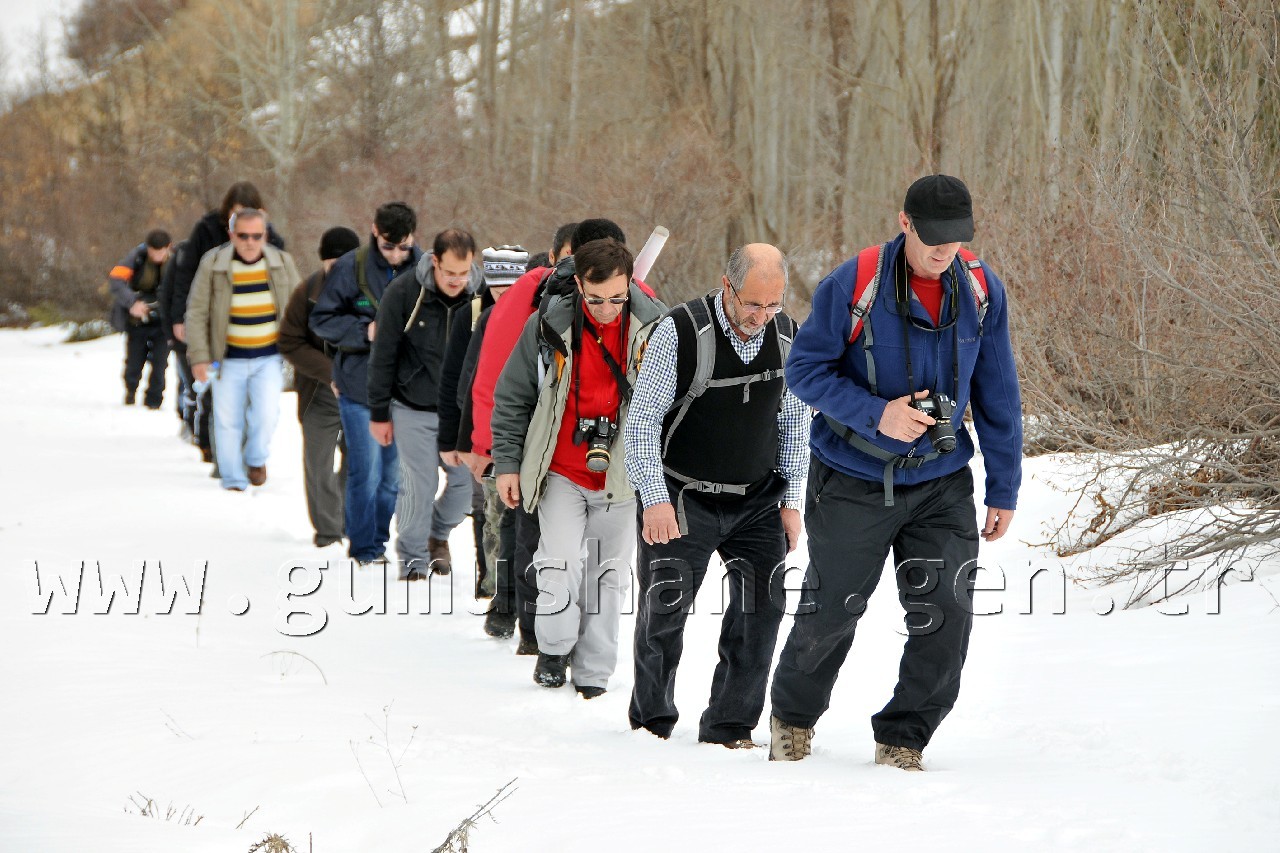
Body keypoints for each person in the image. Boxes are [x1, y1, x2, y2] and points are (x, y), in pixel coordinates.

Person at [767, 175, 1023, 770]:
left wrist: (1003, 486)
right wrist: (877, 413)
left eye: (957, 239)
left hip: (941, 481)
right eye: (933, 238)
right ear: (904, 222)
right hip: (853, 479)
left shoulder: (982, 289)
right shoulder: (855, 283)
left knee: (947, 614)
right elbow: (803, 371)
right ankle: (793, 718)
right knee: (832, 611)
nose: (944, 251)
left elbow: (999, 393)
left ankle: (905, 737)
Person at [626, 243, 809, 748]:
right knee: (664, 613)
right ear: (727, 285)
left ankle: (730, 726)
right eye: (753, 303)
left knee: (761, 612)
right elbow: (641, 423)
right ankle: (651, 722)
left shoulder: (788, 338)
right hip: (682, 496)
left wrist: (792, 502)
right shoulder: (680, 333)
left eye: (773, 305)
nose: (762, 316)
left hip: (756, 500)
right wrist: (655, 497)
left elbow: (794, 424)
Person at [491, 238, 667, 697]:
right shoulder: (548, 326)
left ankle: (593, 674)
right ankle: (553, 648)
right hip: (562, 470)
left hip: (625, 475)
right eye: (596, 298)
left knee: (608, 576)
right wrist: (508, 463)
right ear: (578, 285)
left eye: (617, 297)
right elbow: (512, 397)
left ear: (630, 285)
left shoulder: (658, 329)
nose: (607, 309)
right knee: (560, 562)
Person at [309, 202, 422, 565]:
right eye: (389, 246)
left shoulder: (423, 267)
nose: (395, 254)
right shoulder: (350, 267)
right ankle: (364, 548)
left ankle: (377, 538)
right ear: (375, 231)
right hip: (359, 385)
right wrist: (364, 331)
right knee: (366, 472)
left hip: (405, 389)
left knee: (393, 476)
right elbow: (322, 319)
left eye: (403, 246)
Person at [366, 228, 481, 580]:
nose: (456, 280)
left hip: (462, 414)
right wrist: (379, 413)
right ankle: (413, 559)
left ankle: (437, 535)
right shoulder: (403, 292)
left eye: (463, 273)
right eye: (449, 273)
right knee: (418, 484)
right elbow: (383, 354)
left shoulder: (480, 295)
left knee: (465, 487)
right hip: (412, 405)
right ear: (435, 262)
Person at [438, 245, 531, 618]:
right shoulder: (477, 316)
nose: (503, 296)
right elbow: (463, 381)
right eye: (496, 288)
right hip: (482, 429)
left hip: (512, 431)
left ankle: (503, 588)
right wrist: (460, 438)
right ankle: (490, 581)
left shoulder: (534, 317)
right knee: (487, 508)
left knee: (504, 513)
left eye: (511, 288)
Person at [170, 181, 286, 467]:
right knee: (215, 394)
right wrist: (179, 317)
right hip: (214, 322)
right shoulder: (206, 231)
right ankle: (216, 453)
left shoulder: (272, 242)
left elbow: (284, 285)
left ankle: (248, 456)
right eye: (235, 214)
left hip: (257, 331)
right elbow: (186, 275)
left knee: (258, 404)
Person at [186, 208, 302, 492]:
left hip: (269, 357)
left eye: (257, 235)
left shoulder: (281, 262)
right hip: (227, 360)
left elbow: (300, 308)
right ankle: (233, 480)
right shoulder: (213, 263)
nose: (250, 242)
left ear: (265, 235)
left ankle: (255, 459)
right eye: (243, 235)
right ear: (231, 235)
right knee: (227, 421)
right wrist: (199, 357)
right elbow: (197, 311)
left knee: (266, 414)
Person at [279, 226, 361, 548]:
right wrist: (330, 372)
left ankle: (345, 520)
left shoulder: (379, 290)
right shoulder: (307, 292)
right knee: (318, 463)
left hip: (362, 394)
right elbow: (288, 341)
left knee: (359, 461)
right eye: (332, 263)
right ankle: (328, 533)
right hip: (319, 393)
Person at [108, 229, 172, 408]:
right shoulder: (136, 258)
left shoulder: (178, 261)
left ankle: (154, 400)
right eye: (153, 252)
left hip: (163, 321)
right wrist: (132, 303)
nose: (157, 256)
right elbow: (116, 280)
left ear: (168, 248)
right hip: (137, 320)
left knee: (160, 363)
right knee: (134, 361)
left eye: (160, 252)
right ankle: (130, 391)